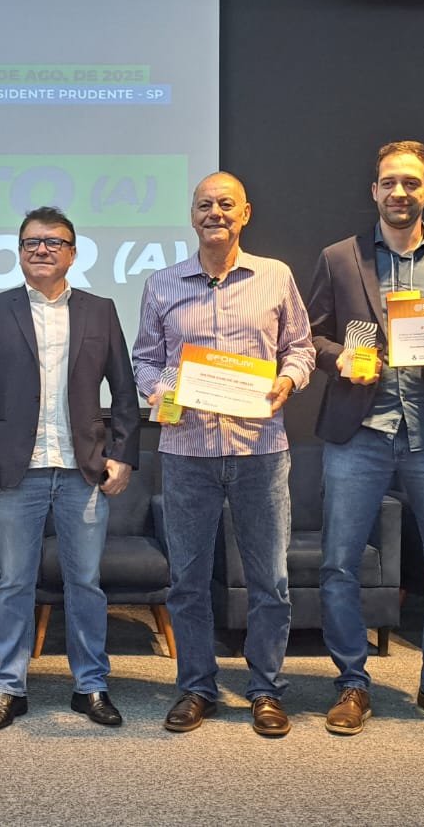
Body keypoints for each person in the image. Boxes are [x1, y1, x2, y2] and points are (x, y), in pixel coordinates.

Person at [306, 140, 424, 738]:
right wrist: (338, 360)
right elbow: (311, 336)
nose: (399, 192)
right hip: (358, 433)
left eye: (411, 182)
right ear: (374, 190)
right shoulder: (339, 258)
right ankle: (352, 683)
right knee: (339, 565)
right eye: (388, 182)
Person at [131, 172, 315, 736]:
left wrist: (288, 380)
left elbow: (301, 348)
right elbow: (146, 360)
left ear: (245, 213)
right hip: (187, 451)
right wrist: (159, 390)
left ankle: (265, 690)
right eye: (204, 204)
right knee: (188, 580)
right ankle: (196, 687)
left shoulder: (275, 276)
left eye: (226, 204)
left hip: (261, 450)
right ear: (192, 216)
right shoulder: (162, 284)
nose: (215, 212)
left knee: (270, 581)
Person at [0, 207, 141, 731]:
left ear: (73, 253)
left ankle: (90, 686)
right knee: (13, 583)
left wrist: (123, 454)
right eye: (31, 242)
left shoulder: (100, 310)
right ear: (19, 252)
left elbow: (124, 390)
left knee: (85, 583)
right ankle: (8, 687)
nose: (41, 250)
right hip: (15, 471)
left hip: (83, 469)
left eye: (53, 242)